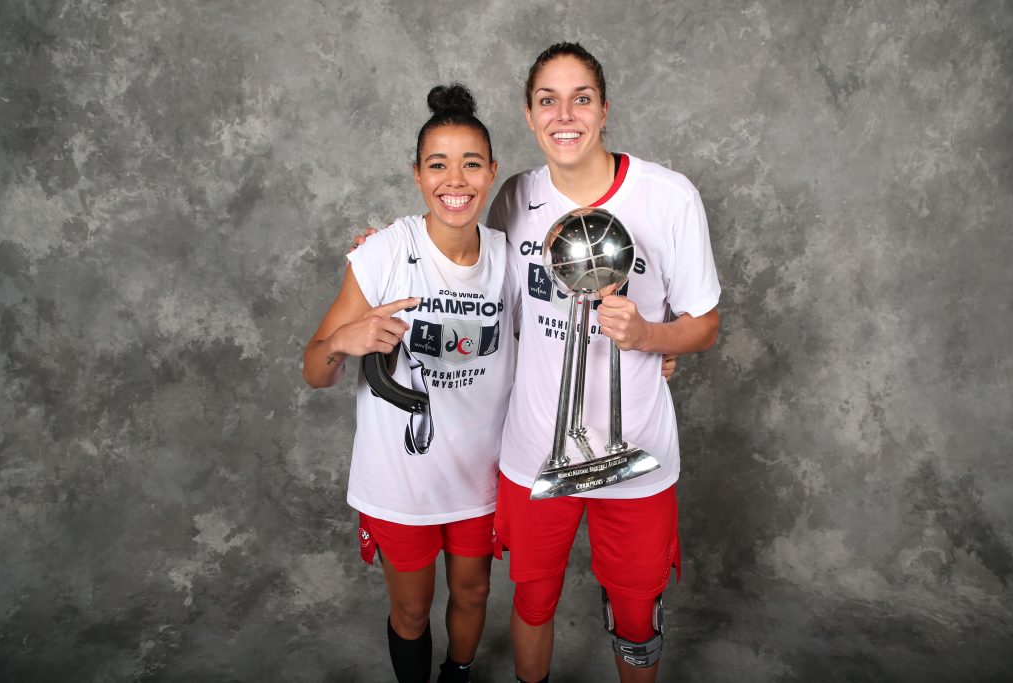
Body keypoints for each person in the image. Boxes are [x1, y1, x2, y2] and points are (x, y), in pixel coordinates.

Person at [486, 43, 721, 683]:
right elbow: (475, 286)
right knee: (533, 598)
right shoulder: (514, 198)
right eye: (547, 100)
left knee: (637, 610)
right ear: (530, 116)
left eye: (581, 98)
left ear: (604, 109)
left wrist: (649, 335)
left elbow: (703, 325)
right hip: (536, 449)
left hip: (637, 450)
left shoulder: (668, 197)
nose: (565, 114)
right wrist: (391, 254)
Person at [303, 83, 518, 683]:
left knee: (473, 596)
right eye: (438, 165)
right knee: (413, 606)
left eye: (472, 164)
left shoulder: (508, 258)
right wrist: (343, 342)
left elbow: (558, 336)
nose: (456, 180)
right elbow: (314, 370)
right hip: (401, 476)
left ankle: (458, 674)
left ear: (492, 172)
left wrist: (645, 354)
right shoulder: (383, 253)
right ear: (418, 176)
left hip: (480, 469)